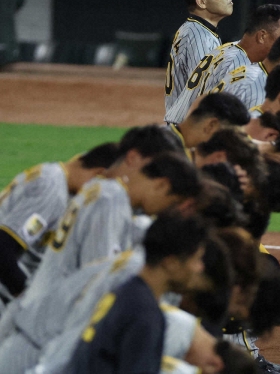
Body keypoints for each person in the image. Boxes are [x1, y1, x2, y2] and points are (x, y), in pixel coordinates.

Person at [17, 127, 202, 310]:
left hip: (41, 312)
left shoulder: (101, 190)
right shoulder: (110, 198)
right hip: (44, 321)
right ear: (133, 158)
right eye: (157, 169)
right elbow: (100, 281)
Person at [70, 209, 207, 374]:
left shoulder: (126, 292)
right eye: (197, 259)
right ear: (171, 263)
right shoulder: (145, 316)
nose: (200, 268)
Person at [0, 142, 119, 303]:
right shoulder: (52, 191)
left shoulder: (53, 174)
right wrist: (26, 300)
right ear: (99, 174)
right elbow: (3, 248)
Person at [165, 4, 280, 124]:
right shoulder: (237, 64)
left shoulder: (230, 48)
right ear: (262, 36)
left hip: (183, 124)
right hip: (188, 131)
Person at [165, 0, 233, 112]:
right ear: (201, 2)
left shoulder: (193, 29)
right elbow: (201, 95)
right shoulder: (201, 38)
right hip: (193, 127)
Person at [167, 92, 250, 158]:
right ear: (211, 126)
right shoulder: (168, 154)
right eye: (228, 136)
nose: (227, 146)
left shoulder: (173, 144)